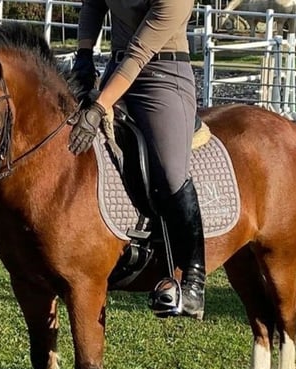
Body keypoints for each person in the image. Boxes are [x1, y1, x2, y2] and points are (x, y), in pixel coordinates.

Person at [68, 0, 205, 320]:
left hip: (162, 77)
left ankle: (194, 280)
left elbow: (138, 55)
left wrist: (100, 107)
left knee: (171, 173)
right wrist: (84, 56)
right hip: (116, 71)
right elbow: (93, 3)